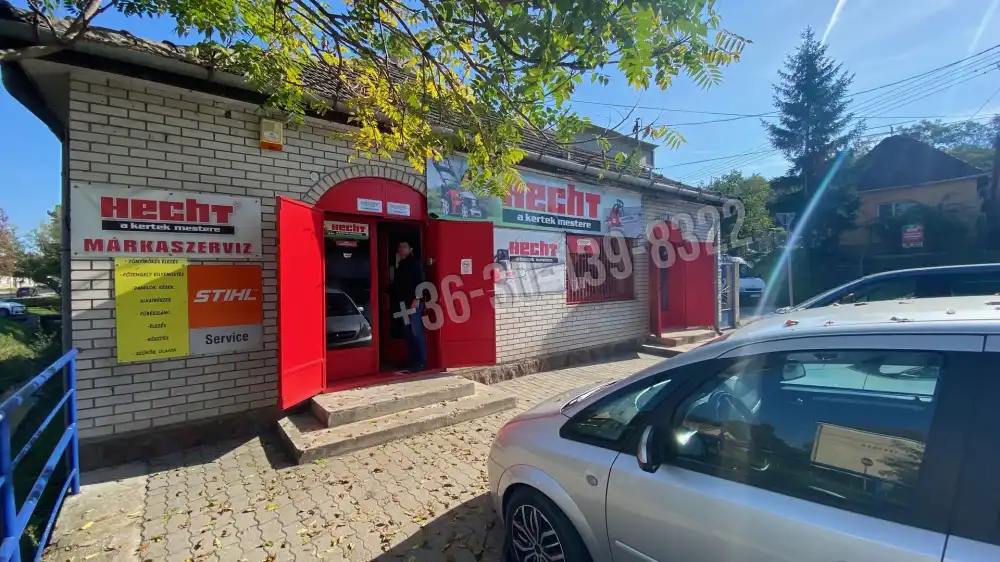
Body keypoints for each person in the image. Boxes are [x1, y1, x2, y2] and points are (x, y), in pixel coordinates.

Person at [391, 240, 426, 373]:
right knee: (408, 333)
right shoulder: (401, 265)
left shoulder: (415, 264)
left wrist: (417, 298)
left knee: (416, 332)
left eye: (404, 247)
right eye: (399, 247)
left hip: (413, 304)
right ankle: (412, 361)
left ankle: (421, 362)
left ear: (410, 249)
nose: (401, 249)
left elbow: (421, 281)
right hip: (403, 304)